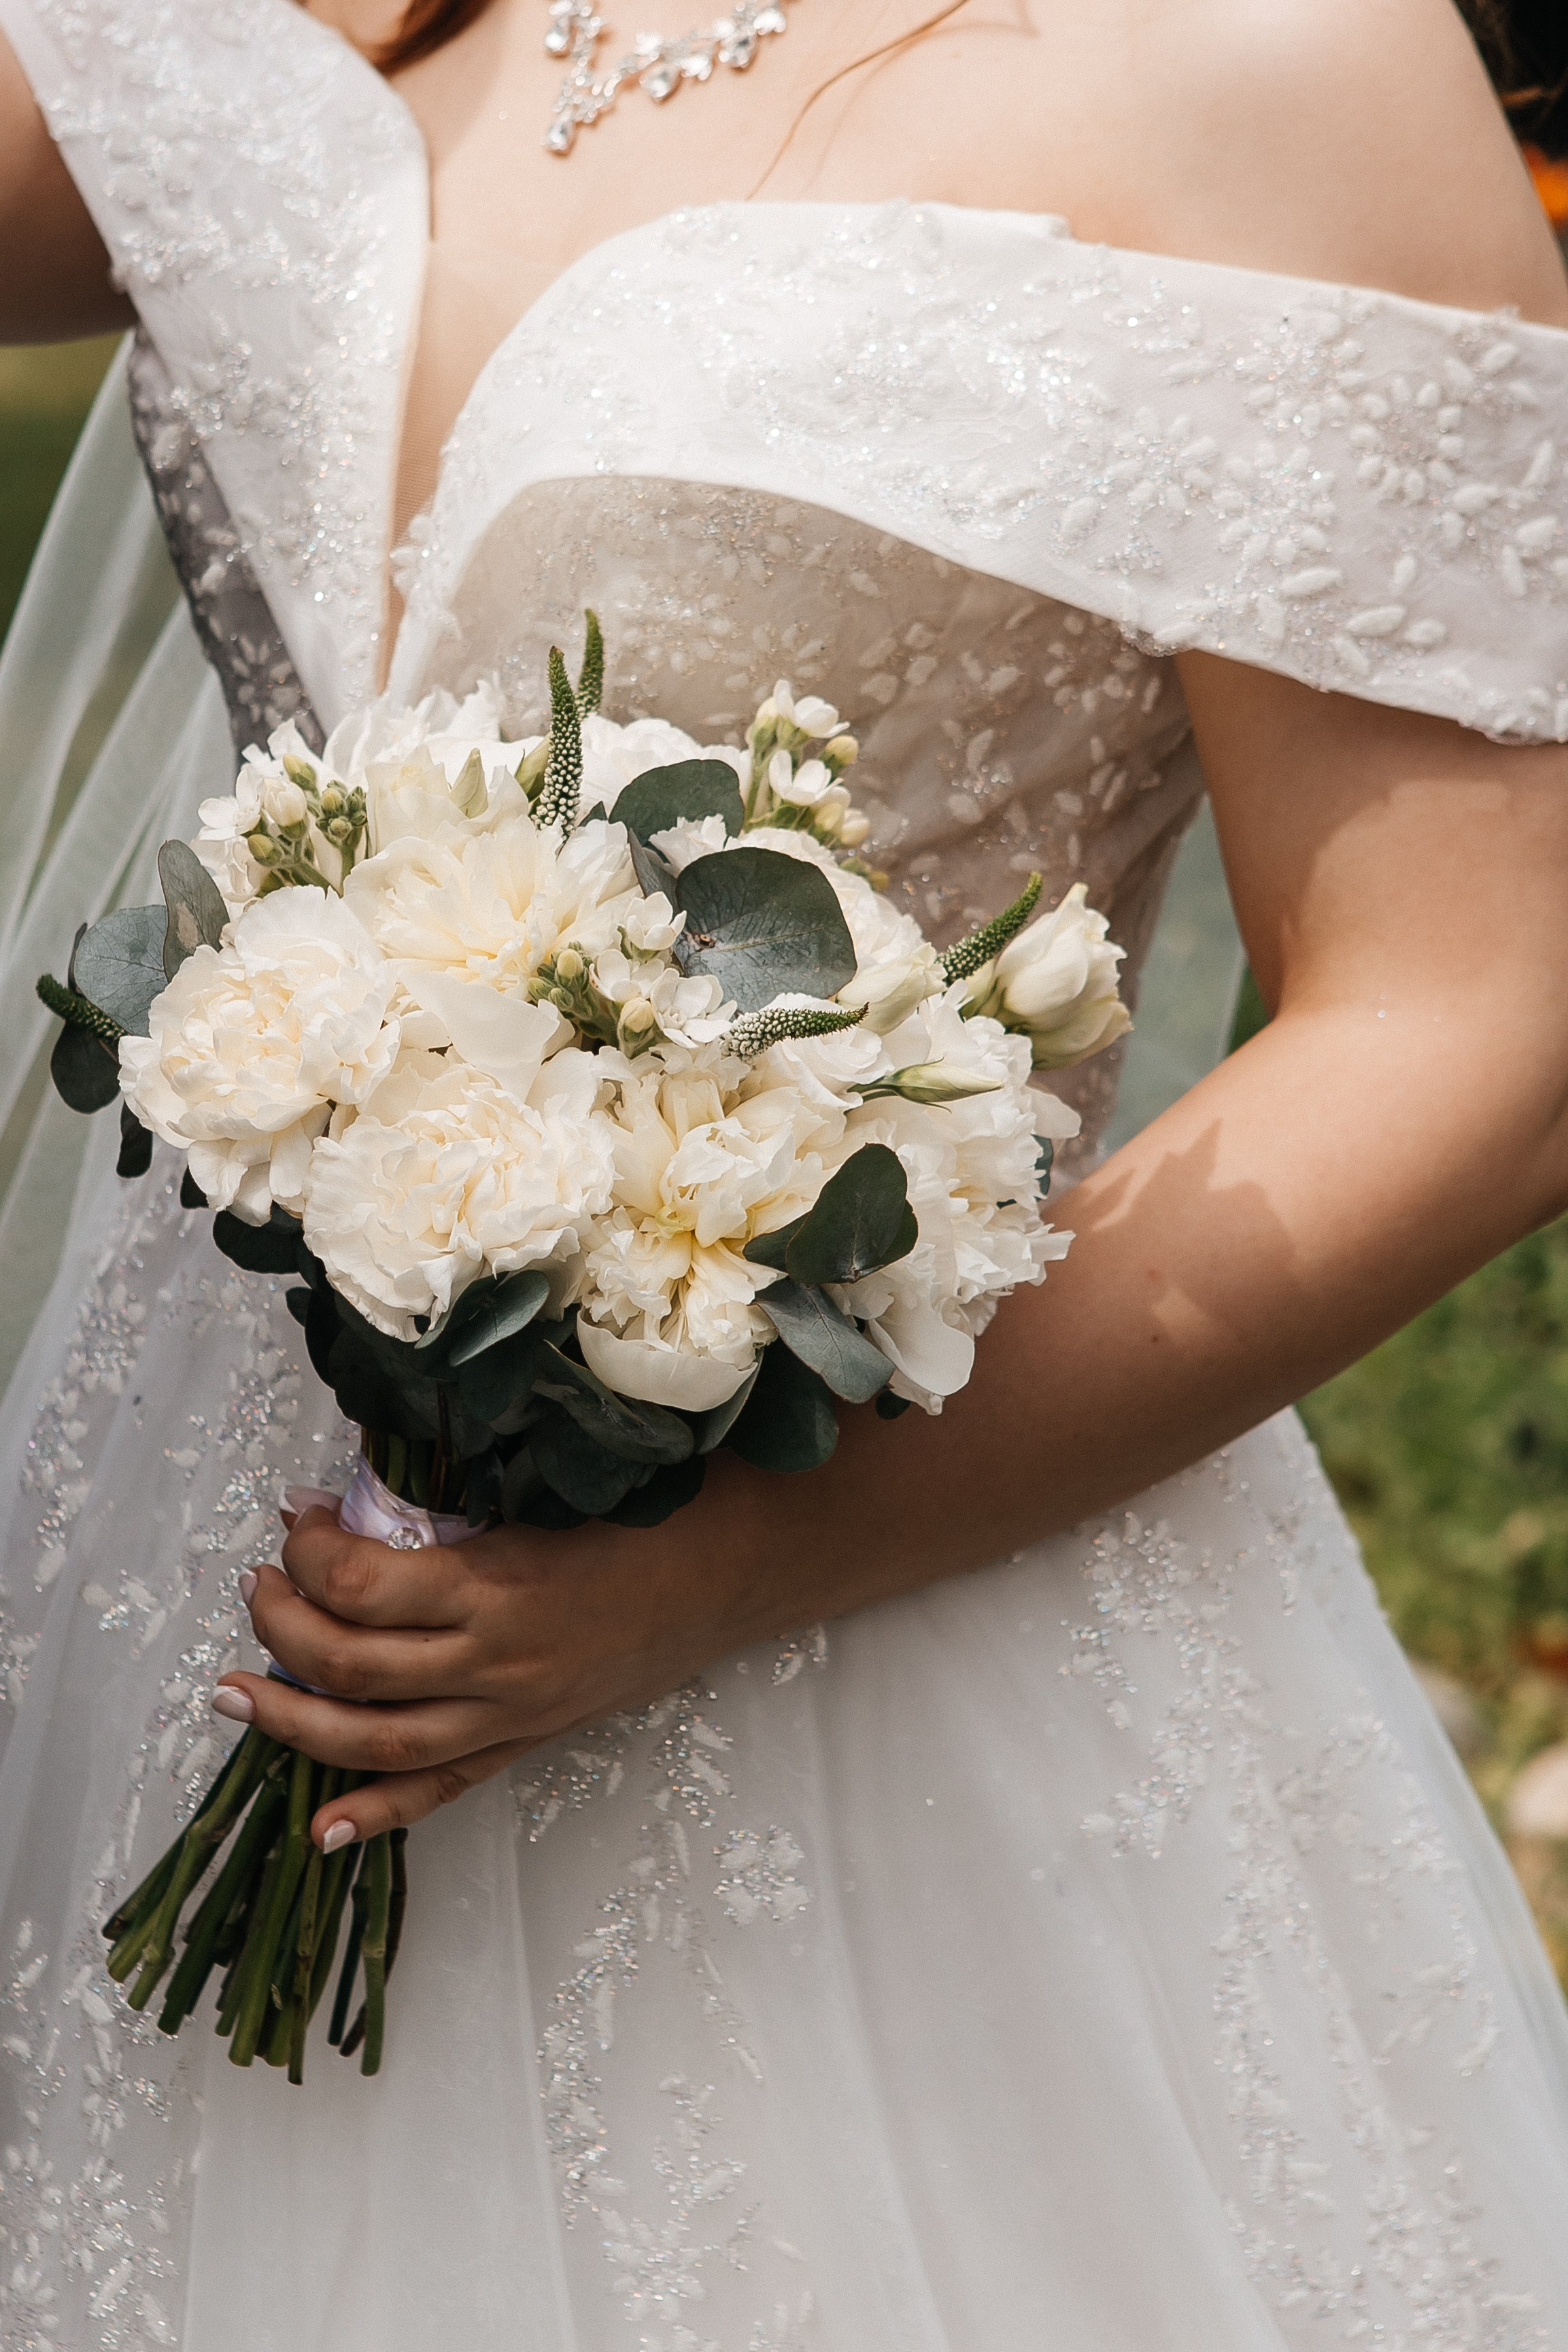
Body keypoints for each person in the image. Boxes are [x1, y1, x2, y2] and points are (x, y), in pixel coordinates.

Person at [2, 0, 1568, 2342]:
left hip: (873, 1592)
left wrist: (722, 1565)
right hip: (183, 1599)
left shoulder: (1269, 51)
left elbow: (1483, 1018)